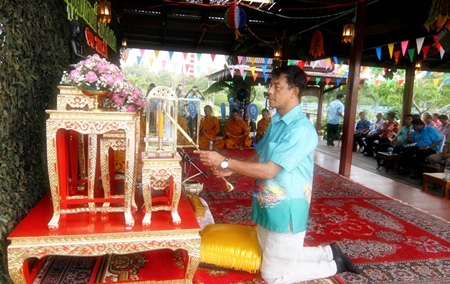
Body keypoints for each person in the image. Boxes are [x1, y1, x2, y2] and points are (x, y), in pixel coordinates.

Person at [195, 65, 362, 283]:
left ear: (294, 92)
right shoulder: (277, 121)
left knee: (273, 275)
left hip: (287, 209)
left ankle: (333, 264)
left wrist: (226, 162)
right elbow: (260, 154)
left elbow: (270, 170)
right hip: (268, 204)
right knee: (272, 255)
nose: (270, 91)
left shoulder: (300, 129)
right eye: (270, 85)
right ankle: (329, 252)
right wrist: (230, 170)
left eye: (277, 86)